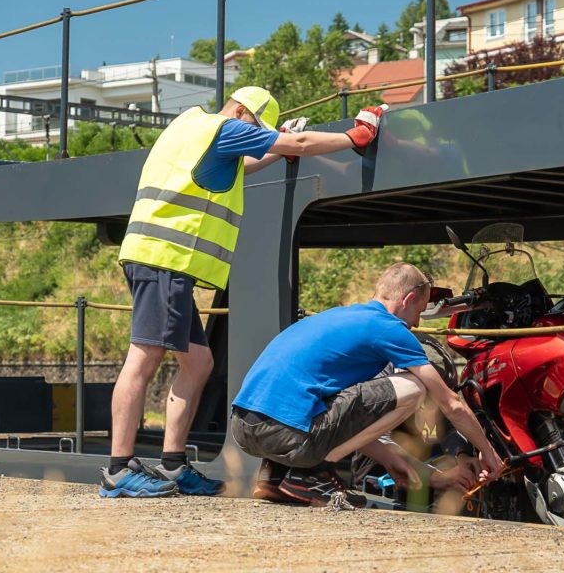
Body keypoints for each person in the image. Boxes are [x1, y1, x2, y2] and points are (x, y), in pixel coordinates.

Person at [99, 86, 389, 498]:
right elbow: (301, 142)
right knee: (143, 358)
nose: (256, 135)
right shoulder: (224, 129)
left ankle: (173, 465)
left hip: (160, 259)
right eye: (257, 127)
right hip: (164, 259)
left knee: (198, 362)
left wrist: (275, 150)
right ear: (241, 111)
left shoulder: (192, 127)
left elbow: (242, 166)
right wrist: (354, 136)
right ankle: (118, 468)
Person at [230, 262, 504, 508]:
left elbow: (346, 416)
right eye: (419, 311)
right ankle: (311, 474)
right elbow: (451, 403)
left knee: (322, 397)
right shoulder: (388, 327)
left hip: (243, 427)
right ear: (408, 299)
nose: (416, 323)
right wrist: (488, 452)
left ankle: (273, 476)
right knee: (415, 387)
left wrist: (388, 457)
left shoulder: (337, 316)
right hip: (286, 433)